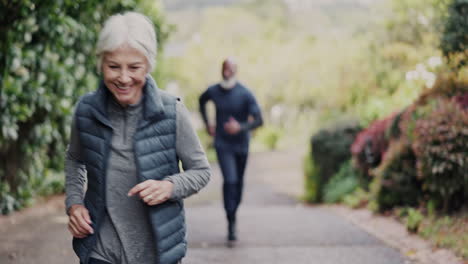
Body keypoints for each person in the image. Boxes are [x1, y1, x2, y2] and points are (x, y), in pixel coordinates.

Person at [65, 12, 211, 264]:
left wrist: (170, 187)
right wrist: (75, 204)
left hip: (156, 252)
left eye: (134, 67)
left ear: (148, 65)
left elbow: (200, 171)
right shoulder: (86, 110)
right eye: (113, 67)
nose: (123, 78)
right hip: (100, 249)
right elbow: (75, 160)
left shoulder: (171, 112)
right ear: (101, 64)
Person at [198, 58, 263, 244]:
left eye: (231, 69)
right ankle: (230, 220)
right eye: (225, 69)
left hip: (241, 145)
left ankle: (233, 213)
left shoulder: (245, 94)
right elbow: (201, 101)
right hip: (222, 143)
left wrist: (240, 127)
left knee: (239, 183)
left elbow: (259, 120)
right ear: (221, 70)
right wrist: (207, 123)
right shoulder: (214, 91)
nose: (227, 72)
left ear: (236, 71)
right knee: (230, 180)